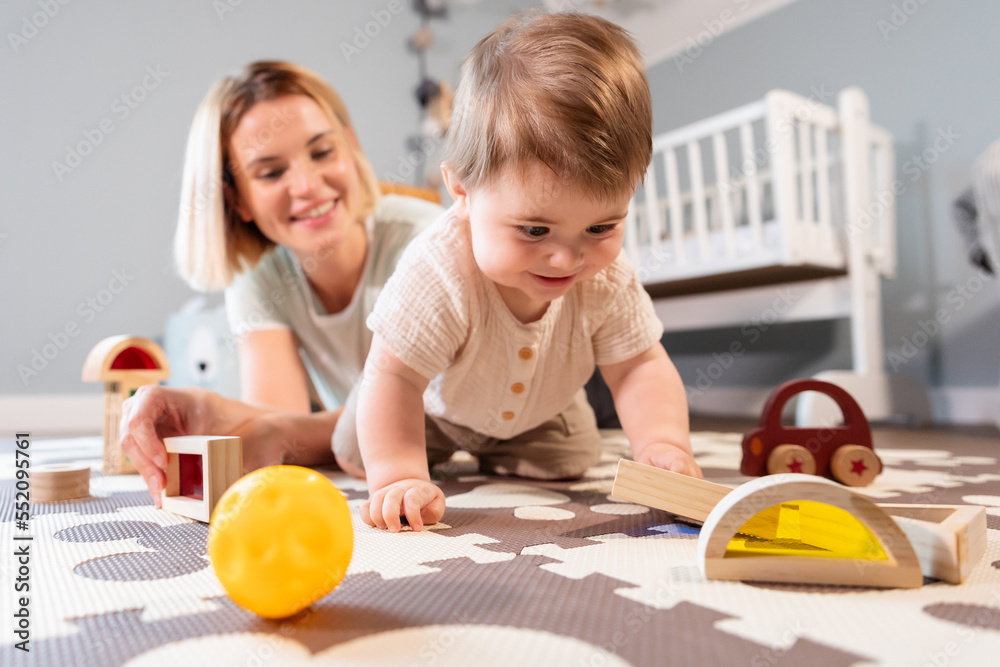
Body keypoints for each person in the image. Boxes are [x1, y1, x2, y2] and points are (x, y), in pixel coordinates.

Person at [336, 12, 703, 533]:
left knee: (574, 457)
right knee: (357, 445)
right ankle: (374, 436)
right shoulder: (438, 271)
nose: (566, 259)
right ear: (462, 193)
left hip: (540, 410)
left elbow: (639, 367)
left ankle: (507, 446)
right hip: (433, 411)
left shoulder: (608, 278)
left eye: (600, 227)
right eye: (534, 231)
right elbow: (397, 377)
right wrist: (398, 475)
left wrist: (663, 443)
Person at [120, 61, 443, 504]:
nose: (307, 185)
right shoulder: (261, 274)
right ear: (238, 199)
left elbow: (444, 422)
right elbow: (284, 422)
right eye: (271, 173)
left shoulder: (426, 244)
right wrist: (196, 406)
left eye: (323, 151)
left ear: (351, 147)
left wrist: (250, 423)